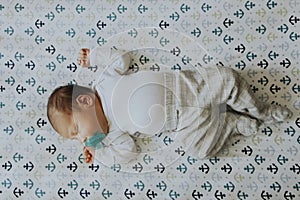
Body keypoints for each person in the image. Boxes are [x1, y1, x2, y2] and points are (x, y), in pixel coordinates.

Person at [47, 47, 292, 165]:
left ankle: (263, 111)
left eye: (77, 129)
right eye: (76, 138)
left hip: (183, 86)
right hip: (182, 122)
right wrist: (100, 151)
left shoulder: (104, 81)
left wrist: (94, 58)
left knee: (228, 78)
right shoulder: (113, 133)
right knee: (200, 150)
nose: (82, 139)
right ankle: (230, 123)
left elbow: (122, 59)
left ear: (85, 101)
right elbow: (128, 153)